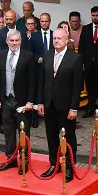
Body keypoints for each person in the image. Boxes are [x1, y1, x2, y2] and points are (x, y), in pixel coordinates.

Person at [39, 27, 83, 181]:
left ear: (66, 40)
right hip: (49, 104)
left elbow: (77, 86)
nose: (56, 41)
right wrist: (40, 103)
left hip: (66, 106)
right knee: (51, 136)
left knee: (69, 136)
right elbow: (42, 81)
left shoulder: (75, 58)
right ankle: (54, 164)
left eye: (59, 38)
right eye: (54, 38)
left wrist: (74, 107)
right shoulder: (48, 55)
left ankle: (70, 166)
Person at [0, 29, 35, 171]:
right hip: (6, 100)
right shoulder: (0, 55)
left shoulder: (28, 56)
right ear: (7, 41)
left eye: (17, 40)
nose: (14, 43)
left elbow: (32, 81)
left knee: (23, 132)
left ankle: (25, 161)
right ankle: (10, 159)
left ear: (21, 41)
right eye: (12, 40)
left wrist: (30, 101)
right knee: (8, 132)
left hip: (22, 102)